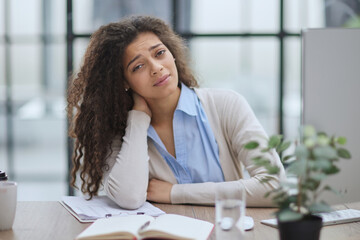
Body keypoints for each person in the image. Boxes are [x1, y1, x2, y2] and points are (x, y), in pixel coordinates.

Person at [67, 15, 286, 210]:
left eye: (160, 53)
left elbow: (275, 186)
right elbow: (130, 198)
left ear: (172, 54)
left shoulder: (226, 105)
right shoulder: (119, 130)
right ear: (123, 81)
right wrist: (138, 118)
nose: (156, 67)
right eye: (138, 67)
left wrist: (174, 194)